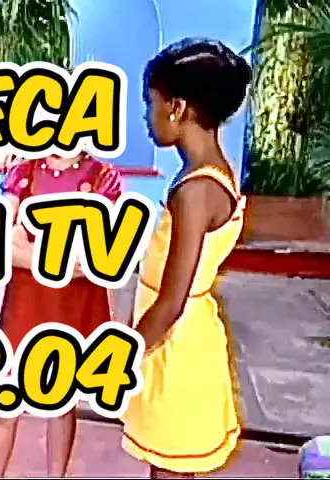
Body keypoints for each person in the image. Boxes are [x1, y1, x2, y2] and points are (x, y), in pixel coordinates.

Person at [120, 38, 253, 478]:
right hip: (177, 341)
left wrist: (121, 356)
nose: (147, 116)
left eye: (151, 103)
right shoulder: (210, 173)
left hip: (174, 347)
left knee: (169, 467)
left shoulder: (195, 191)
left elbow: (172, 300)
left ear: (176, 107)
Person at [0, 152, 123, 477]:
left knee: (62, 400)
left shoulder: (103, 176)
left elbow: (92, 257)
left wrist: (27, 248)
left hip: (76, 304)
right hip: (25, 301)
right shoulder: (24, 172)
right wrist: (55, 255)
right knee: (4, 401)